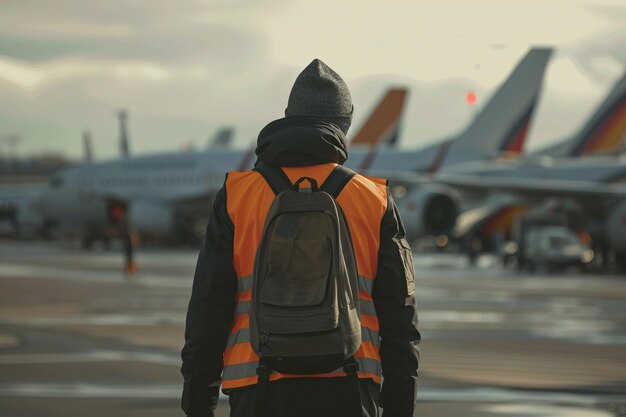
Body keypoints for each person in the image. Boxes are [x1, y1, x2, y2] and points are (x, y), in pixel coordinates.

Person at [181, 59, 420, 417]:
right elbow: (400, 313)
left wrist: (198, 399)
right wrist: (400, 403)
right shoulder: (374, 199)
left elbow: (208, 306)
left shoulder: (236, 196)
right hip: (351, 384)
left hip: (256, 385)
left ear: (289, 117)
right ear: (343, 126)